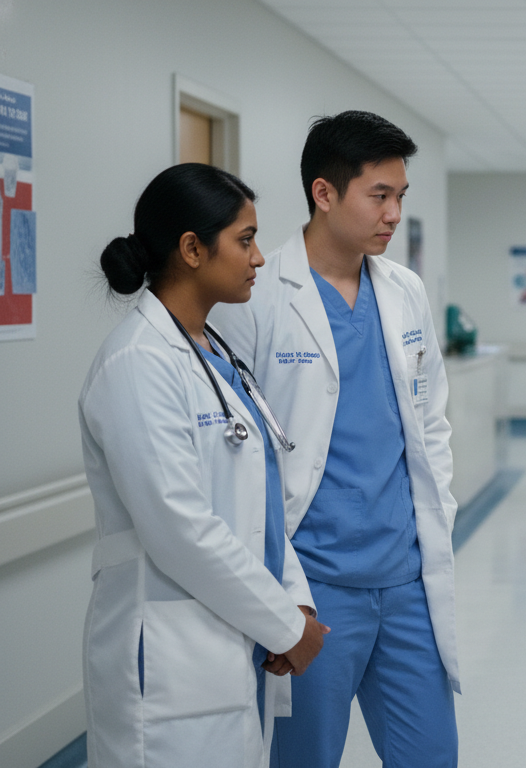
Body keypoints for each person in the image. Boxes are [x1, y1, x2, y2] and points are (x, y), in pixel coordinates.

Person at [210, 111, 460, 768]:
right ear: (324, 193)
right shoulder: (256, 298)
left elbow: (430, 422)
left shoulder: (404, 291)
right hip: (313, 588)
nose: (394, 213)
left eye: (401, 196)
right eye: (380, 195)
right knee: (303, 759)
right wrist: (274, 592)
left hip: (407, 581)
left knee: (432, 755)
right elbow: (237, 451)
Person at [80, 163, 325, 768]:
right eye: (245, 239)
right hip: (170, 659)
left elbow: (259, 501)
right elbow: (179, 527)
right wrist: (283, 624)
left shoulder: (215, 354)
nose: (259, 258)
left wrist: (297, 603)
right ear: (192, 249)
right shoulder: (137, 364)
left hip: (227, 640)